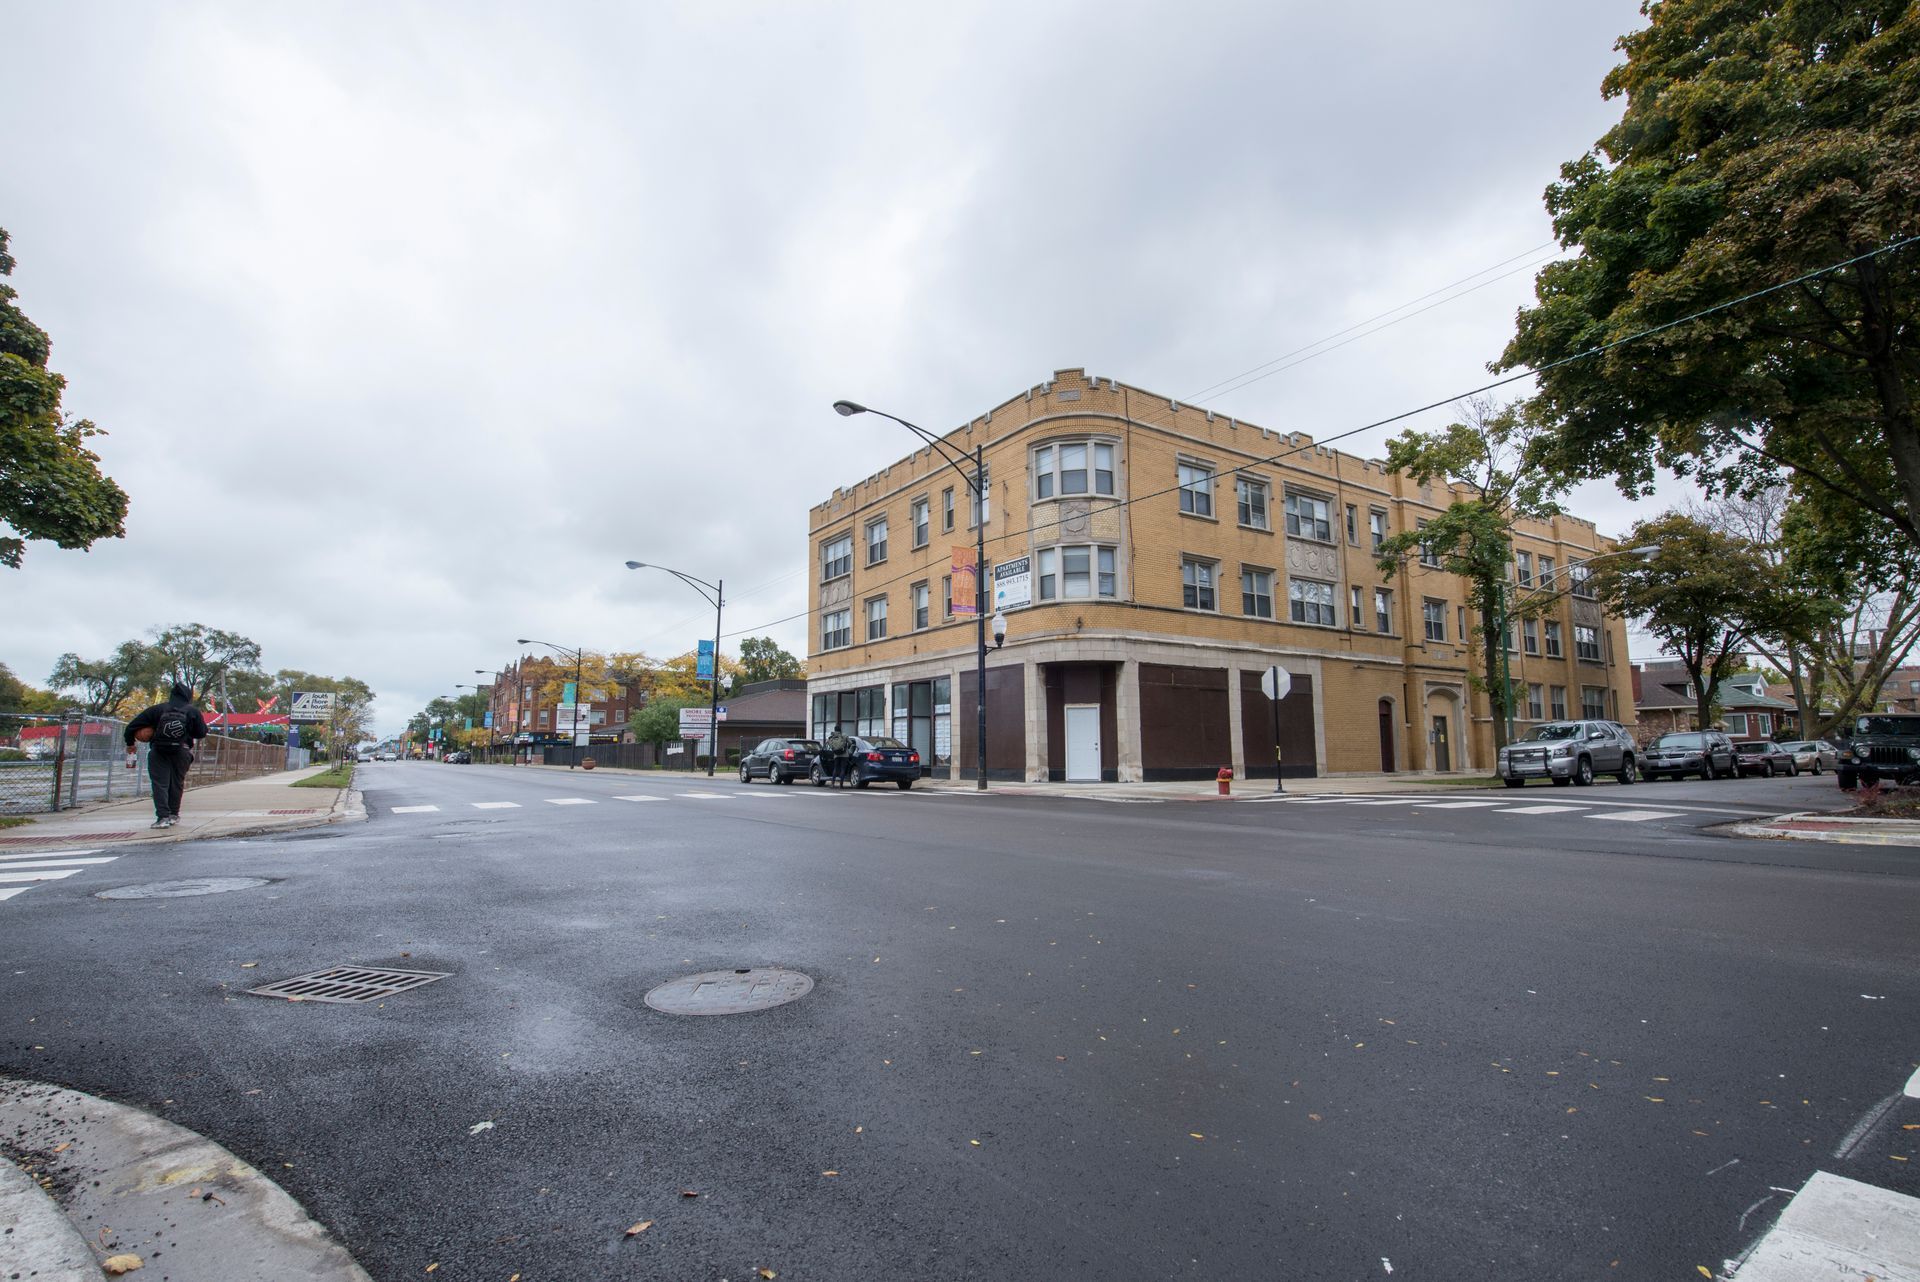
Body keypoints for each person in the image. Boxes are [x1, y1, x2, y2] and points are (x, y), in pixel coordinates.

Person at [124, 682, 209, 829]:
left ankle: (162, 817)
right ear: (187, 696)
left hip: (158, 751)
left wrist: (131, 743)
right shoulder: (192, 711)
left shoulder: (157, 710)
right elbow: (201, 733)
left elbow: (131, 727)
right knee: (177, 783)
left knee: (160, 784)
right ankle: (173, 815)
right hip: (182, 751)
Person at [824, 723, 852, 787]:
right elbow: (850, 743)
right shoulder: (844, 735)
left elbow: (829, 745)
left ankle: (832, 784)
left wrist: (834, 749)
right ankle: (841, 785)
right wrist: (847, 747)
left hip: (836, 755)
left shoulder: (832, 737)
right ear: (840, 730)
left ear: (834, 730)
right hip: (845, 755)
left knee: (835, 768)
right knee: (843, 769)